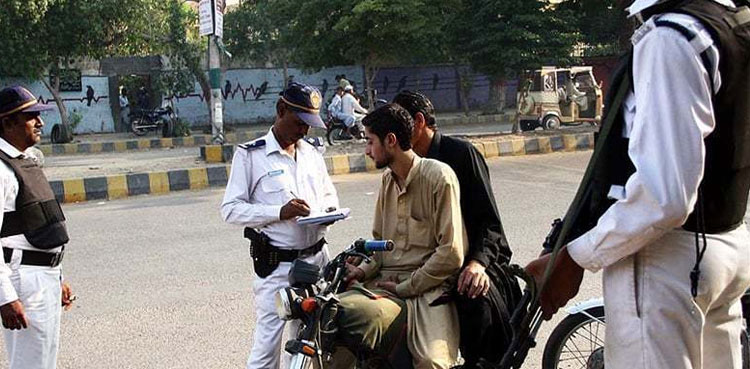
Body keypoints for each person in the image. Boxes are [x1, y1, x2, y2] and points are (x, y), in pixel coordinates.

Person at [525, 1, 750, 369]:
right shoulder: (731, 23)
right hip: (724, 246)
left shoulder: (672, 38)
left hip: (667, 262)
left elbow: (665, 197)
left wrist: (577, 255)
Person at [393, 90, 520, 368]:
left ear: (418, 122)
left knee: (473, 298)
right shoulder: (402, 166)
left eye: (399, 122)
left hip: (472, 260)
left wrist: (477, 264)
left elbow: (489, 223)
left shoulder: (461, 155)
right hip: (427, 263)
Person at [336, 103, 467, 369]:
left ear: (391, 141)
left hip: (428, 289)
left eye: (371, 142)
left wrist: (406, 287)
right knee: (331, 330)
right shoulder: (387, 181)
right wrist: (361, 271)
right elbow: (379, 244)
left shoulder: (439, 177)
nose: (367, 150)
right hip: (383, 284)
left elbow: (451, 253)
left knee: (432, 362)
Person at [220, 82, 340, 369]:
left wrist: (327, 212)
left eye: (309, 124)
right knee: (266, 350)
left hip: (316, 262)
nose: (304, 131)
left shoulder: (311, 153)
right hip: (277, 267)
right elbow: (230, 210)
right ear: (280, 110)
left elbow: (329, 196)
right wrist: (279, 212)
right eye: (300, 123)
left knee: (305, 347)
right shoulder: (251, 155)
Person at [0, 86, 75, 369]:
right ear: (7, 123)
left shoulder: (23, 161)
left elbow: (39, 226)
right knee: (31, 364)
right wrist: (6, 298)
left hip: (43, 276)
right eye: (31, 116)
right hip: (24, 281)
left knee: (44, 362)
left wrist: (58, 277)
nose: (40, 122)